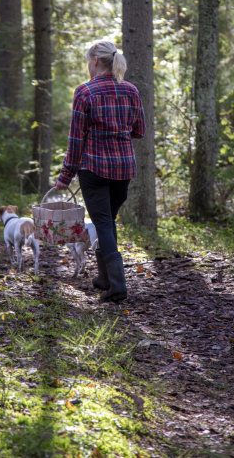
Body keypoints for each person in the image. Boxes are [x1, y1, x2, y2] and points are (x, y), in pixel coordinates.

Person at [54, 40, 145, 302]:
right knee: (107, 223)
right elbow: (139, 131)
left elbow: (76, 140)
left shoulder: (85, 92)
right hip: (124, 169)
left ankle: (118, 287)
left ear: (94, 61)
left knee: (104, 223)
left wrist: (65, 177)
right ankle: (106, 278)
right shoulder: (131, 90)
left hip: (94, 169)